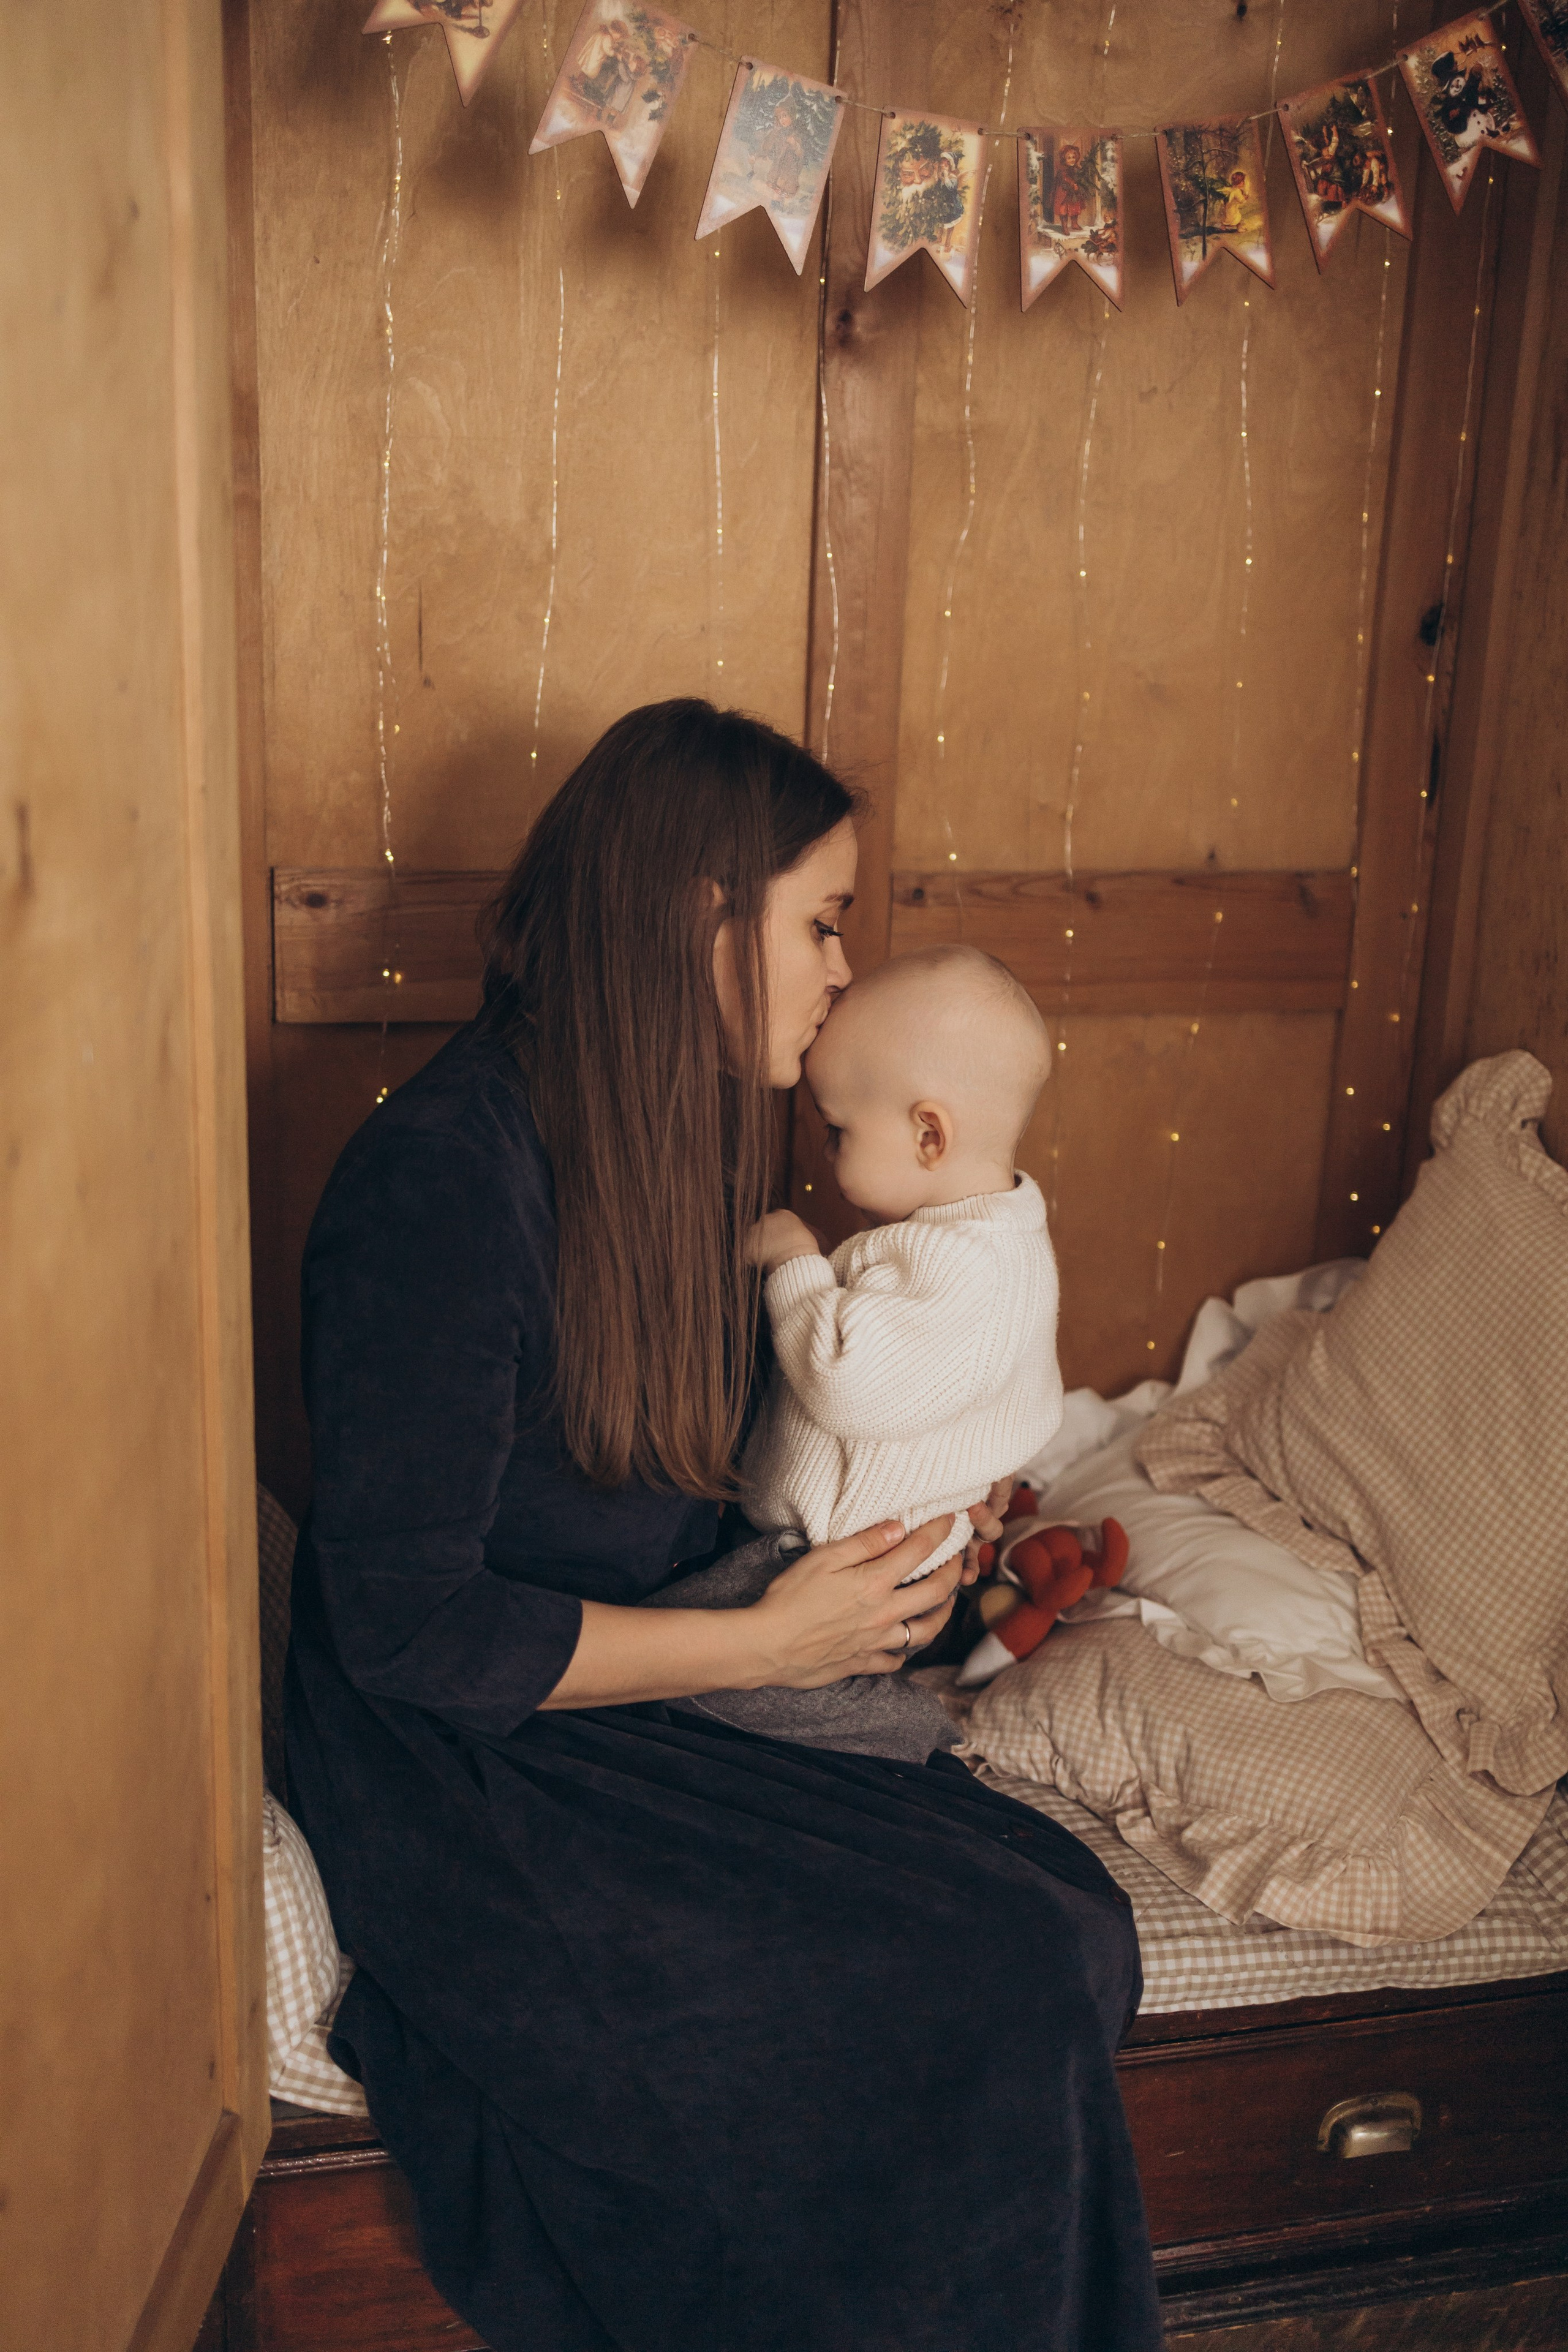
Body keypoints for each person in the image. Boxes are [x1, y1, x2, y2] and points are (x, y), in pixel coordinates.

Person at [285, 699, 1163, 2352]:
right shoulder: (443, 1182)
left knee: (1071, 1920)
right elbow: (407, 1628)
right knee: (990, 1972)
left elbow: (707, 1464)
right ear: (702, 918)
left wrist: (892, 1556)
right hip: (473, 1744)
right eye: (820, 923)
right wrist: (769, 1641)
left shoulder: (672, 1140)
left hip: (645, 1665)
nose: (844, 970)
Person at [645, 944, 1063, 1765]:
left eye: (837, 1130)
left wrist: (797, 1265)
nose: (827, 1156)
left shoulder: (970, 1267)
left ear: (929, 1135)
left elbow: (847, 1385)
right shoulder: (976, 1242)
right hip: (853, 1562)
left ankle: (904, 1732)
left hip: (836, 1569)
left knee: (678, 1674)